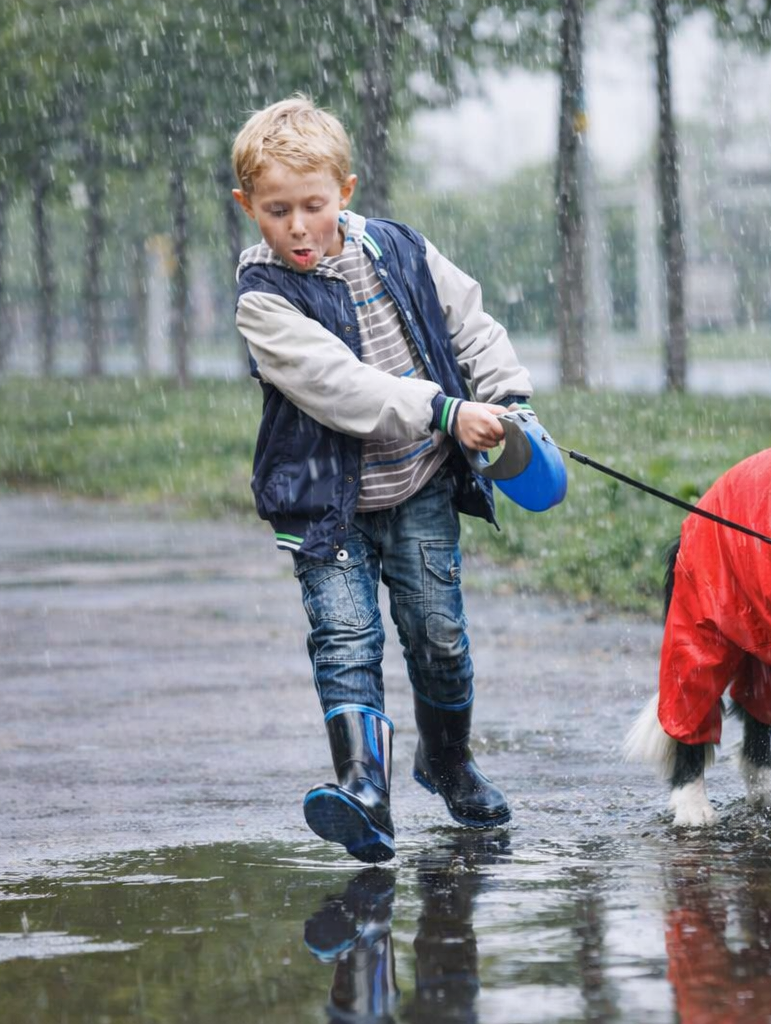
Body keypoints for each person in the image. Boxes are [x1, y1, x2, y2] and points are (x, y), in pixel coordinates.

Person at [230, 95, 535, 863]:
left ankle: (447, 760)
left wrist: (504, 401)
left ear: (346, 191)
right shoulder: (264, 299)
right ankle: (364, 791)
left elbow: (470, 322)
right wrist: (443, 409)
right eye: (276, 210)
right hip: (324, 506)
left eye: (312, 205)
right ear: (246, 207)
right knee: (345, 639)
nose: (297, 226)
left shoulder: (400, 250)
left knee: (438, 637)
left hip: (419, 487)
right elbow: (340, 386)